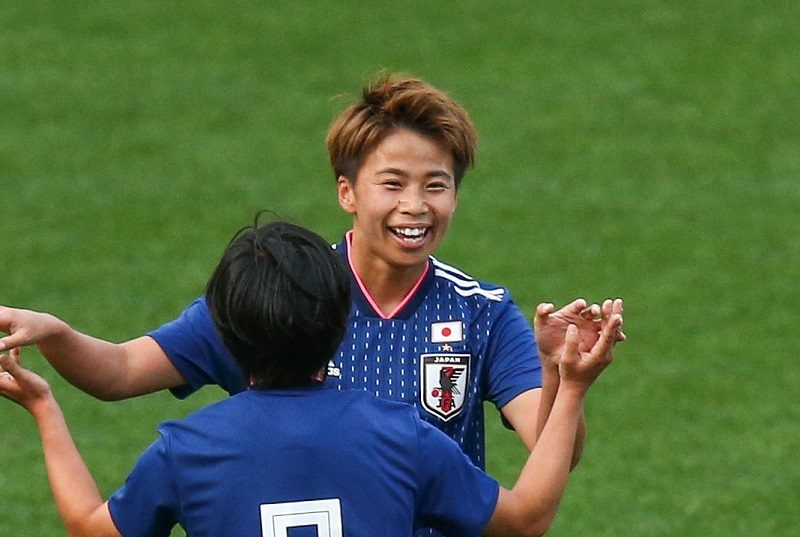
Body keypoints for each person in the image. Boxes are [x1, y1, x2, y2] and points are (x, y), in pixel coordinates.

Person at [0, 73, 623, 507]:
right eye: (393, 184)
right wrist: (56, 334)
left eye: (436, 185)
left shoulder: (482, 313)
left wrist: (563, 375)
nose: (416, 206)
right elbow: (119, 372)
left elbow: (553, 451)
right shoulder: (282, 296)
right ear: (346, 191)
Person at [0, 219, 623, 537]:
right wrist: (570, 385)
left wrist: (44, 407)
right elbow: (526, 518)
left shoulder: (187, 449)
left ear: (224, 334)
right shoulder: (402, 435)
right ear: (337, 324)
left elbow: (90, 527)